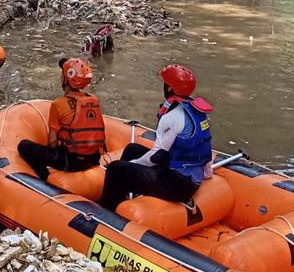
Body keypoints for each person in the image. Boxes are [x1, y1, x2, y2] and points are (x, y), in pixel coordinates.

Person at [100, 64, 213, 211]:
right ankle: (124, 193)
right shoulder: (196, 111)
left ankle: (106, 212)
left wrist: (134, 164)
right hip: (188, 178)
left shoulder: (172, 117)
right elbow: (204, 145)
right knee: (132, 149)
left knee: (115, 169)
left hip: (177, 185)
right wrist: (207, 174)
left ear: (170, 88)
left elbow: (157, 156)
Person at [18, 58, 105, 182]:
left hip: (71, 162)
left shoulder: (58, 104)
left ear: (65, 79)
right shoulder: (94, 100)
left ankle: (44, 178)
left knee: (24, 146)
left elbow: (52, 143)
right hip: (94, 159)